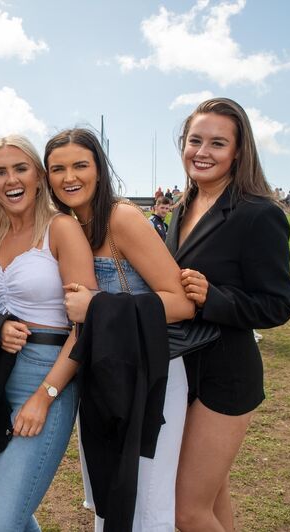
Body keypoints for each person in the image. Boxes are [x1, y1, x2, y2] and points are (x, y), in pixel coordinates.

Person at [45, 128, 194, 531]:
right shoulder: (70, 225)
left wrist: (98, 306)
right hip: (103, 372)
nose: (68, 177)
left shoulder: (120, 217)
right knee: (110, 494)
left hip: (149, 373)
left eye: (80, 165)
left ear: (99, 169)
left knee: (146, 502)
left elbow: (181, 303)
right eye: (57, 168)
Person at [165, 98, 290, 531]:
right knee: (212, 497)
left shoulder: (259, 214)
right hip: (182, 370)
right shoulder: (181, 209)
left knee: (187, 512)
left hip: (226, 374)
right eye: (195, 140)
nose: (202, 151)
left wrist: (213, 297)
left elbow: (278, 304)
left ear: (238, 152)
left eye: (217, 143)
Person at [0, 135, 96, 531]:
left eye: (20, 168)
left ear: (39, 176)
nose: (11, 179)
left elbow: (86, 324)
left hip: (48, 374)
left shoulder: (61, 229)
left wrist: (45, 396)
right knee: (2, 513)